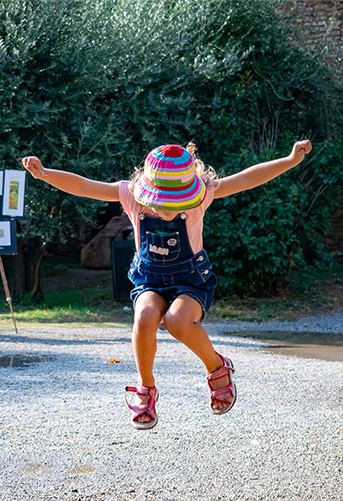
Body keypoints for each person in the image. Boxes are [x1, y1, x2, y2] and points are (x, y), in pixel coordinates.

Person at [22, 140, 312, 429]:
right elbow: (85, 186)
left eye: (176, 204)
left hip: (191, 280)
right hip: (149, 279)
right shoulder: (130, 195)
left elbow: (248, 178)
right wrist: (45, 173)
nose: (166, 211)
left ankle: (217, 367)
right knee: (145, 317)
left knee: (177, 322)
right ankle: (146, 388)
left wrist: (289, 160)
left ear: (189, 195)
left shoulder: (204, 194)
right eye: (160, 203)